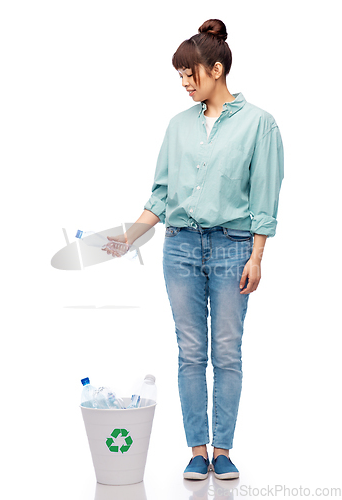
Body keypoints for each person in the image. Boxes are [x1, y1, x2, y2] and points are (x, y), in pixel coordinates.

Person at [103, 19, 284, 480]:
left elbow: (264, 198)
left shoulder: (260, 125)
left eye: (191, 75)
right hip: (179, 248)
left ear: (217, 69)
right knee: (190, 353)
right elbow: (161, 196)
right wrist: (129, 236)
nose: (184, 84)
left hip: (232, 248)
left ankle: (223, 450)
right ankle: (197, 451)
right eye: (180, 77)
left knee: (227, 352)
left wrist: (257, 257)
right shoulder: (177, 126)